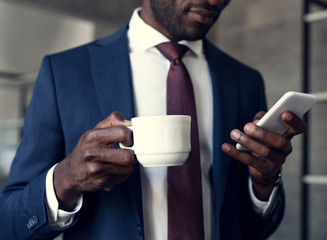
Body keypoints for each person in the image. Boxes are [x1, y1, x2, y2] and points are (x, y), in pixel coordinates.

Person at [0, 0, 306, 239]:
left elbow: (254, 229)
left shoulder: (244, 81)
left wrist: (265, 181)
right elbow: (9, 221)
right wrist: (66, 178)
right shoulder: (64, 72)